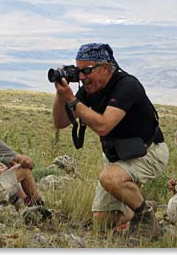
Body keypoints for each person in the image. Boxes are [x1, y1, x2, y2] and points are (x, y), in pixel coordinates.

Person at [52, 43, 169, 238]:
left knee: (109, 178)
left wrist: (73, 101)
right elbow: (59, 122)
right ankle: (140, 203)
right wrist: (60, 94)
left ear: (105, 68)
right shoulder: (90, 89)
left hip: (148, 152)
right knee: (103, 220)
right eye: (79, 71)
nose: (82, 77)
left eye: (87, 70)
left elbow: (104, 126)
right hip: (118, 155)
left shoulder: (127, 85)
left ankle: (147, 218)